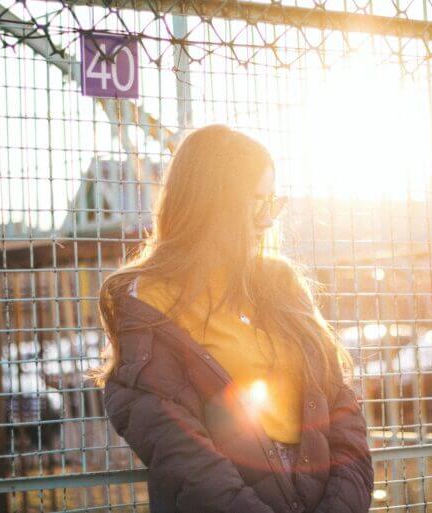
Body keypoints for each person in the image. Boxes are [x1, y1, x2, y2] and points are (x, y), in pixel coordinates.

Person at [87, 124, 374, 513]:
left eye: (271, 201)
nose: (268, 220)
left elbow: (342, 410)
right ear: (213, 203)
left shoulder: (279, 285)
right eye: (255, 202)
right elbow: (181, 452)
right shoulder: (147, 302)